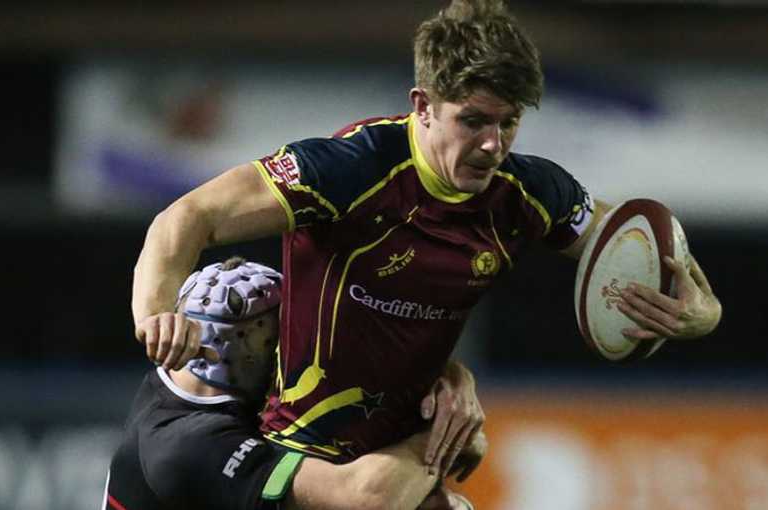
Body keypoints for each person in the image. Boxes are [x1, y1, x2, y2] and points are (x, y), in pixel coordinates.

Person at [131, 0, 722, 479]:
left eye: (508, 122)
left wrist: (702, 309)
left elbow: (640, 239)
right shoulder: (351, 169)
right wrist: (156, 309)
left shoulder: (531, 191)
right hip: (299, 451)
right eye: (474, 120)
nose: (494, 144)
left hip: (410, 451)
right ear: (424, 106)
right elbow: (188, 216)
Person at [106, 257, 481, 510]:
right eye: (283, 337)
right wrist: (442, 439)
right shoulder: (186, 447)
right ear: (231, 352)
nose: (301, 348)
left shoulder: (190, 384)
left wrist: (452, 378)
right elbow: (367, 498)